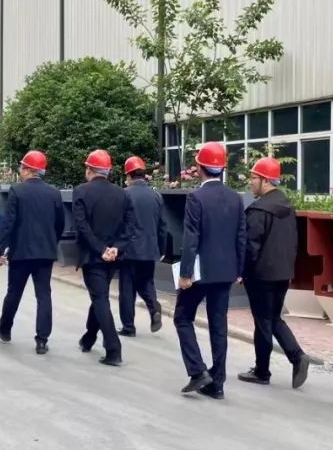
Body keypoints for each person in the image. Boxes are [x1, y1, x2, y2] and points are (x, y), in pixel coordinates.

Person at [173, 142, 245, 400]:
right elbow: (241, 236)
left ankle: (197, 371)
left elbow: (191, 238)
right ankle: (218, 383)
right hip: (226, 271)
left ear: (199, 168)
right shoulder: (236, 198)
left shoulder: (196, 198)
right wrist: (239, 269)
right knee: (218, 324)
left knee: (182, 317)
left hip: (201, 271)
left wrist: (185, 273)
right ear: (222, 168)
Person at [238, 157, 311, 388]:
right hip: (283, 273)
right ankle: (297, 356)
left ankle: (262, 371)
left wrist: (242, 271)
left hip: (260, 275)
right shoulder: (287, 207)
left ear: (266, 180)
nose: (250, 182)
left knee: (262, 322)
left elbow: (251, 246)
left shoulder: (258, 210)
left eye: (254, 178)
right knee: (273, 318)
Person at [0, 151, 66, 354]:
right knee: (44, 295)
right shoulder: (54, 193)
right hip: (45, 252)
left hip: (21, 252)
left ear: (28, 170)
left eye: (22, 167)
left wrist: (1, 249)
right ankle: (42, 339)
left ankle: (5, 329)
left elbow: (9, 223)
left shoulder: (17, 191)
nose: (20, 171)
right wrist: (52, 242)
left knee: (14, 292)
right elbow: (60, 223)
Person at [73, 149, 129, 367]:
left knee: (100, 299)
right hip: (113, 257)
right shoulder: (122, 194)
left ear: (89, 169)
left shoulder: (81, 191)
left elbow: (81, 226)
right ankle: (89, 337)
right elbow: (129, 226)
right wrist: (115, 248)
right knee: (100, 295)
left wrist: (100, 249)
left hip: (93, 256)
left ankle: (113, 349)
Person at [118, 156, 166, 336]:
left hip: (128, 249)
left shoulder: (124, 195)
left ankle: (128, 326)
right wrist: (161, 249)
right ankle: (154, 308)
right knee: (146, 282)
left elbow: (119, 224)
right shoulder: (156, 195)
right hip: (150, 248)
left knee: (127, 288)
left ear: (129, 175)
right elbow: (162, 226)